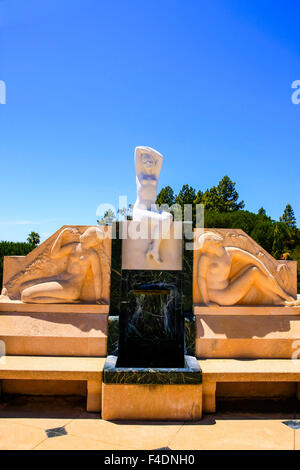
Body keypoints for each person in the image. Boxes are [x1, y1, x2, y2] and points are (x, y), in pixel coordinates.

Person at [197, 231, 295, 306]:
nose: (206, 249)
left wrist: (268, 274)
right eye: (205, 248)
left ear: (214, 242)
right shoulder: (205, 258)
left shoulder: (230, 252)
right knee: (254, 273)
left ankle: (280, 298)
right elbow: (201, 278)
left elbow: (255, 260)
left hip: (227, 290)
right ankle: (284, 298)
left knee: (254, 271)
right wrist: (207, 302)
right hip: (218, 296)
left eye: (206, 246)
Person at [21, 226, 104, 303]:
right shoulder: (73, 246)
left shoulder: (92, 255)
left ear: (94, 241)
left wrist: (98, 298)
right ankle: (67, 299)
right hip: (60, 279)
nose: (85, 236)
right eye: (87, 234)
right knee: (22, 287)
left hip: (72, 287)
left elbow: (97, 276)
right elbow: (54, 255)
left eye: (90, 237)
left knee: (26, 296)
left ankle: (68, 300)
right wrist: (61, 235)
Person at [132, 146, 172, 264]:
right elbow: (137, 150)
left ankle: (154, 248)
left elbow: (160, 157)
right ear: (141, 163)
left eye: (151, 161)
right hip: (140, 210)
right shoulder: (139, 174)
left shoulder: (155, 175)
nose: (148, 163)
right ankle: (154, 249)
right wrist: (148, 153)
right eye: (145, 161)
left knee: (168, 217)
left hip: (153, 210)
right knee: (162, 220)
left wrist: (152, 156)